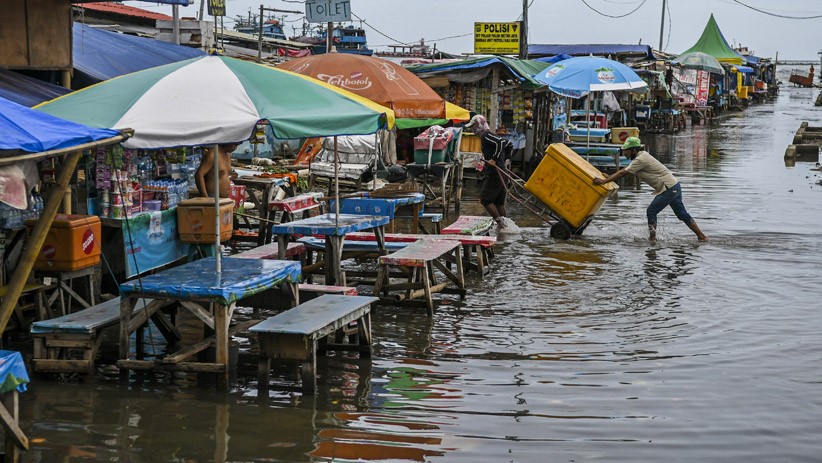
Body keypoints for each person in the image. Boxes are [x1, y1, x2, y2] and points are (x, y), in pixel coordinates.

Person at [593, 136, 707, 242]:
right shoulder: (640, 157)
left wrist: (604, 181)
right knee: (681, 214)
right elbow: (625, 170)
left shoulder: (640, 159)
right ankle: (701, 237)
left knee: (651, 211)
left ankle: (652, 239)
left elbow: (623, 172)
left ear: (633, 150)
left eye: (626, 150)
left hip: (668, 187)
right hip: (674, 186)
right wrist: (610, 178)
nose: (625, 153)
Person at [464, 114, 515, 229]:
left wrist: (495, 159)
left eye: (473, 126)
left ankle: (501, 225)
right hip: (502, 172)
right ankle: (506, 227)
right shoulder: (488, 135)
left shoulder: (485, 135)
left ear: (479, 125)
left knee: (485, 200)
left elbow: (501, 143)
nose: (473, 130)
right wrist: (506, 159)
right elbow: (508, 144)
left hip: (496, 174)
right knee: (498, 202)